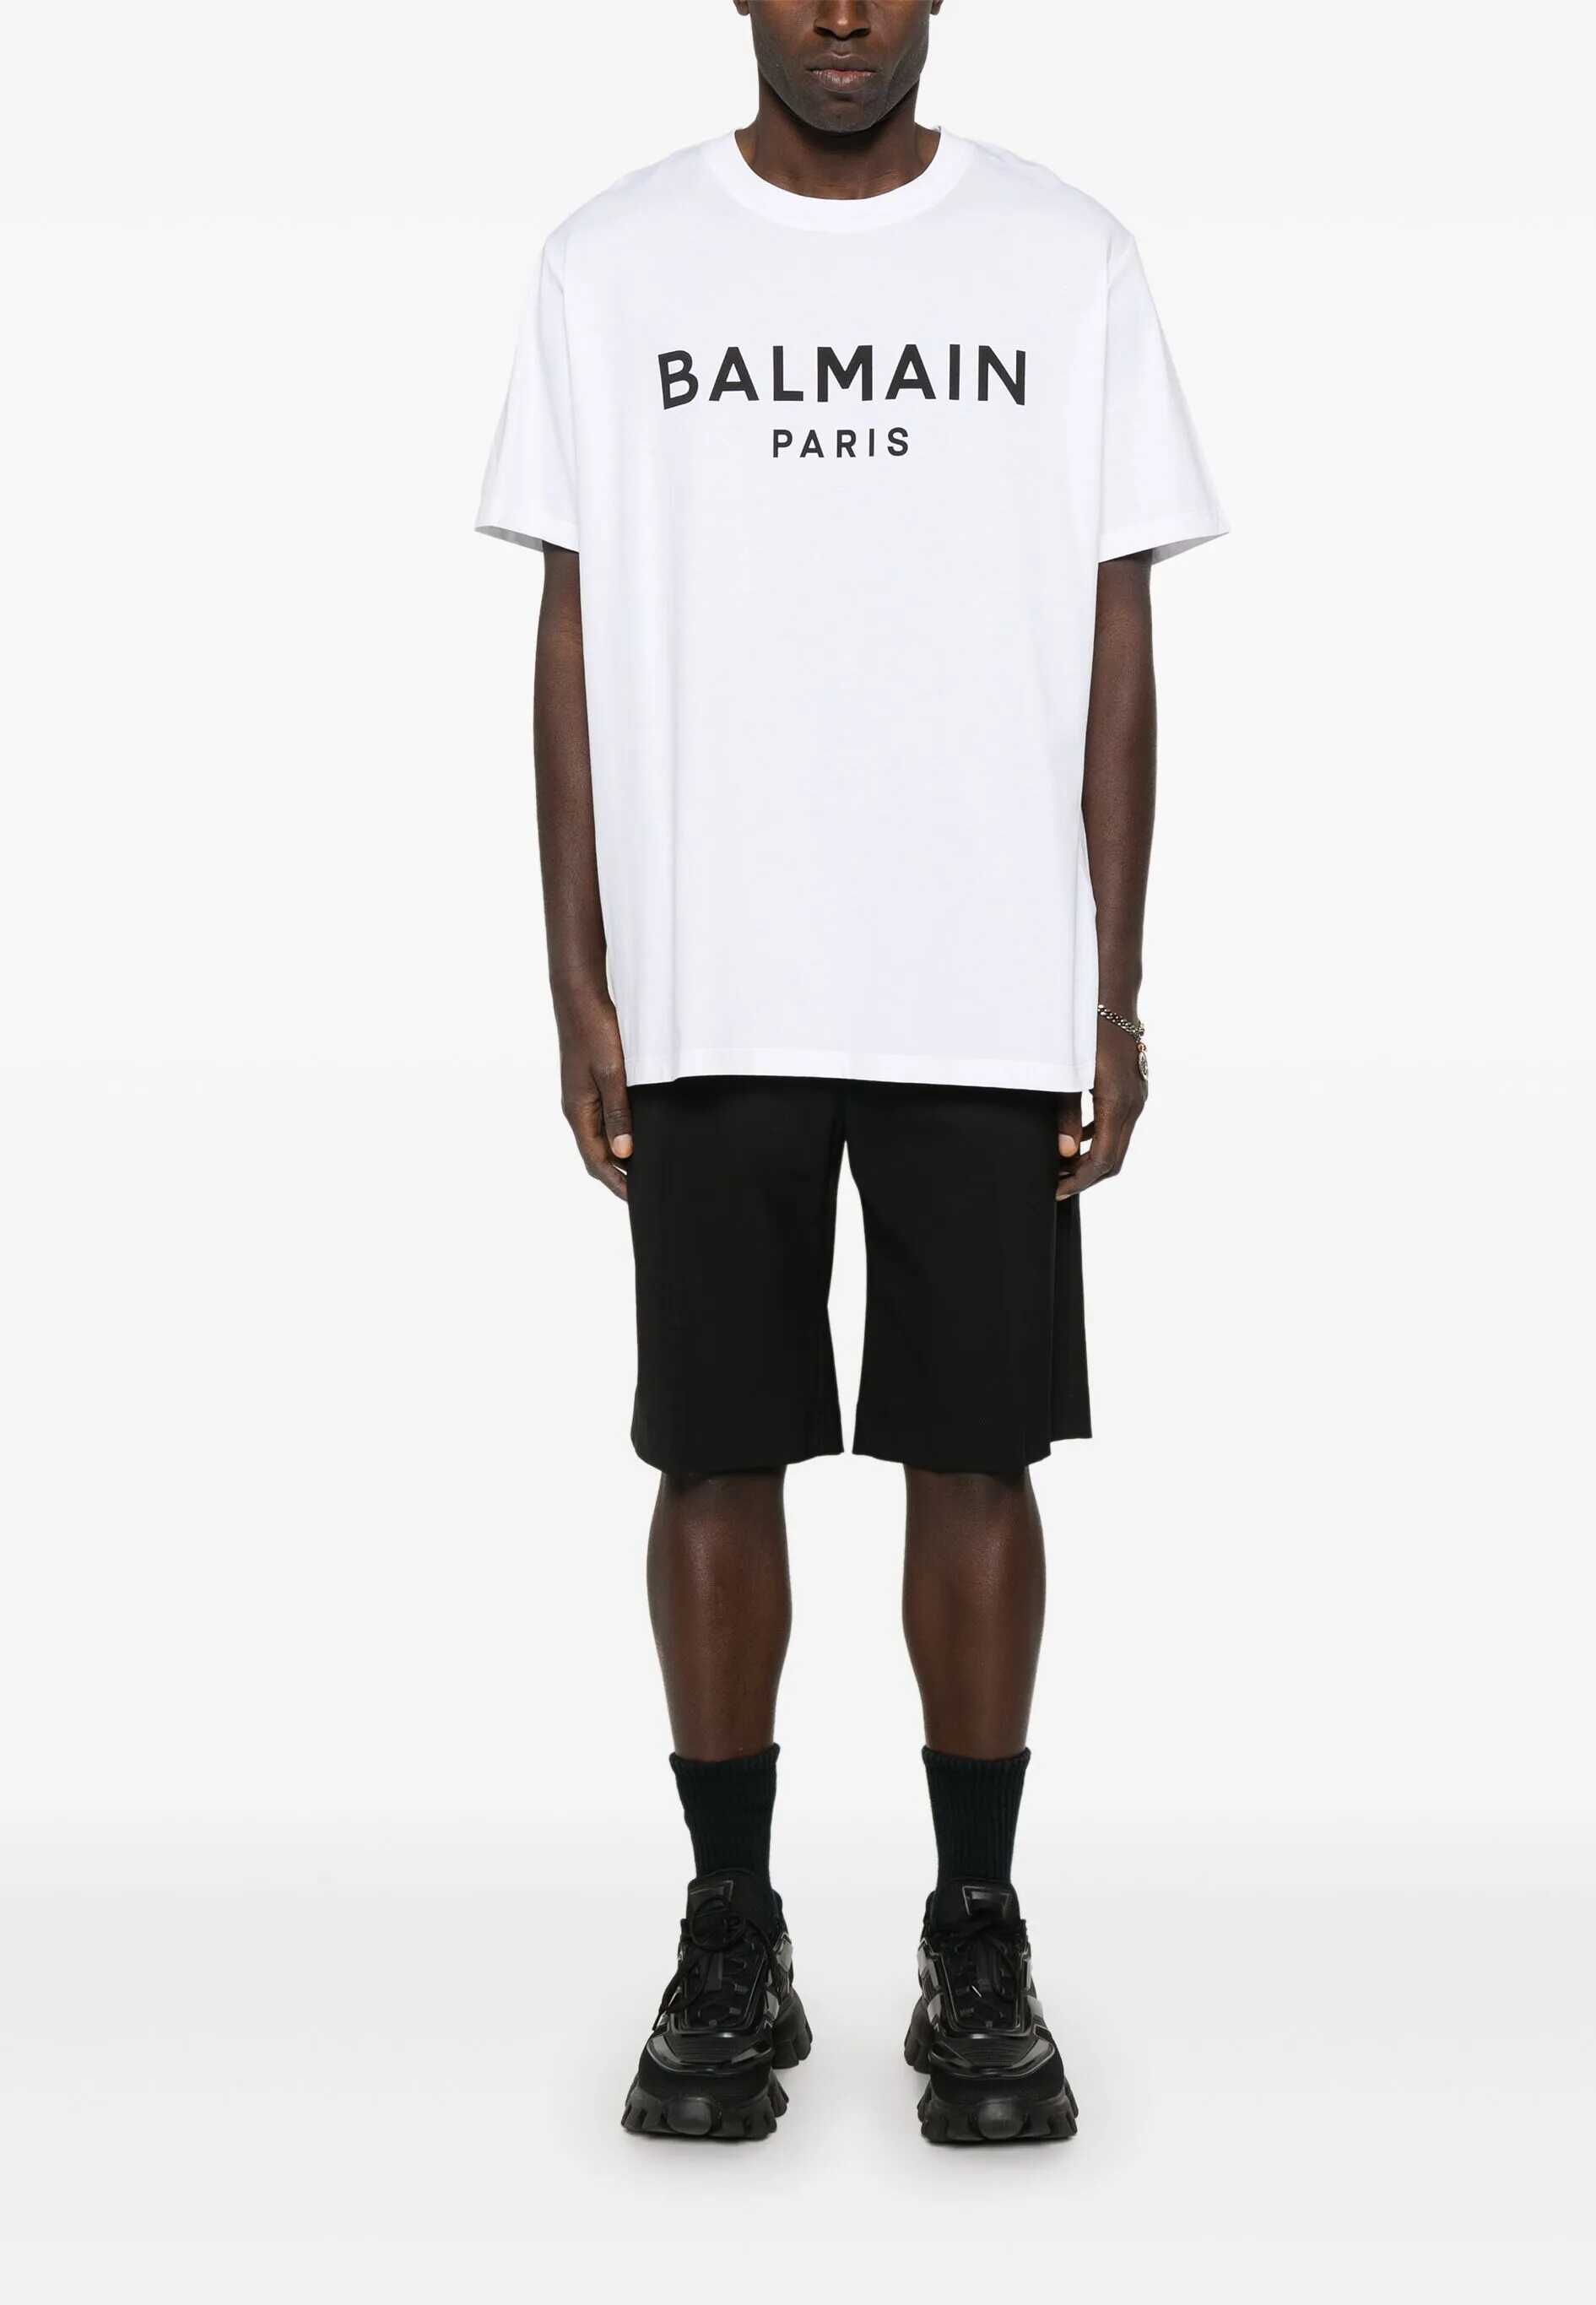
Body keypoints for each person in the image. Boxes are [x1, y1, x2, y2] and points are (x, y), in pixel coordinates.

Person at [476, 0, 1225, 2146]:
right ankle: (730, 1926)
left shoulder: (1064, 255)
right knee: (712, 1451)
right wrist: (578, 975)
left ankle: (975, 1931)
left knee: (976, 1452)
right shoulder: (612, 260)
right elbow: (572, 628)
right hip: (712, 973)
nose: (839, 16)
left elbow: (1119, 636)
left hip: (980, 983)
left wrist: (1110, 988)